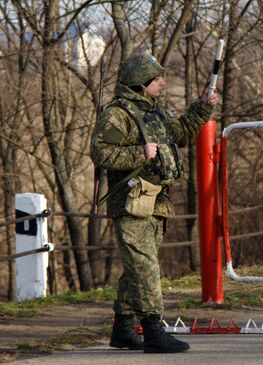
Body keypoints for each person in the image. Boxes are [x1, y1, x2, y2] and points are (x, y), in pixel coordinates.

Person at [90, 53, 218, 353]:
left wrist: (203, 107)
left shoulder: (156, 113)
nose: (162, 81)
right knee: (145, 267)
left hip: (157, 203)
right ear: (139, 83)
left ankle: (122, 328)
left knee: (138, 268)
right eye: (157, 78)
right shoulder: (118, 115)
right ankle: (153, 329)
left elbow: (183, 132)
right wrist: (139, 153)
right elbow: (100, 153)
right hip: (131, 203)